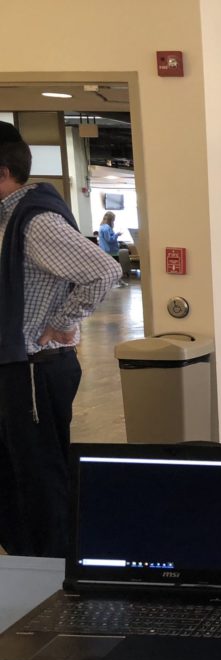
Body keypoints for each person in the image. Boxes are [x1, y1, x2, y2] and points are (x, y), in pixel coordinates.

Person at [0, 121, 120, 557]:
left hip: (34, 368)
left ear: (4, 172)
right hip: (18, 366)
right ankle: (27, 559)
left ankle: (53, 569)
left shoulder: (33, 221)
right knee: (15, 472)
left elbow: (104, 270)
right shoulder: (11, 219)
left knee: (38, 474)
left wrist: (63, 322)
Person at [97, 210, 129, 286]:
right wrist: (117, 234)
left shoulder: (101, 227)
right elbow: (109, 239)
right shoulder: (107, 228)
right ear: (111, 220)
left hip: (105, 251)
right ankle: (118, 281)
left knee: (108, 268)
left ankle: (115, 282)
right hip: (111, 251)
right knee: (116, 267)